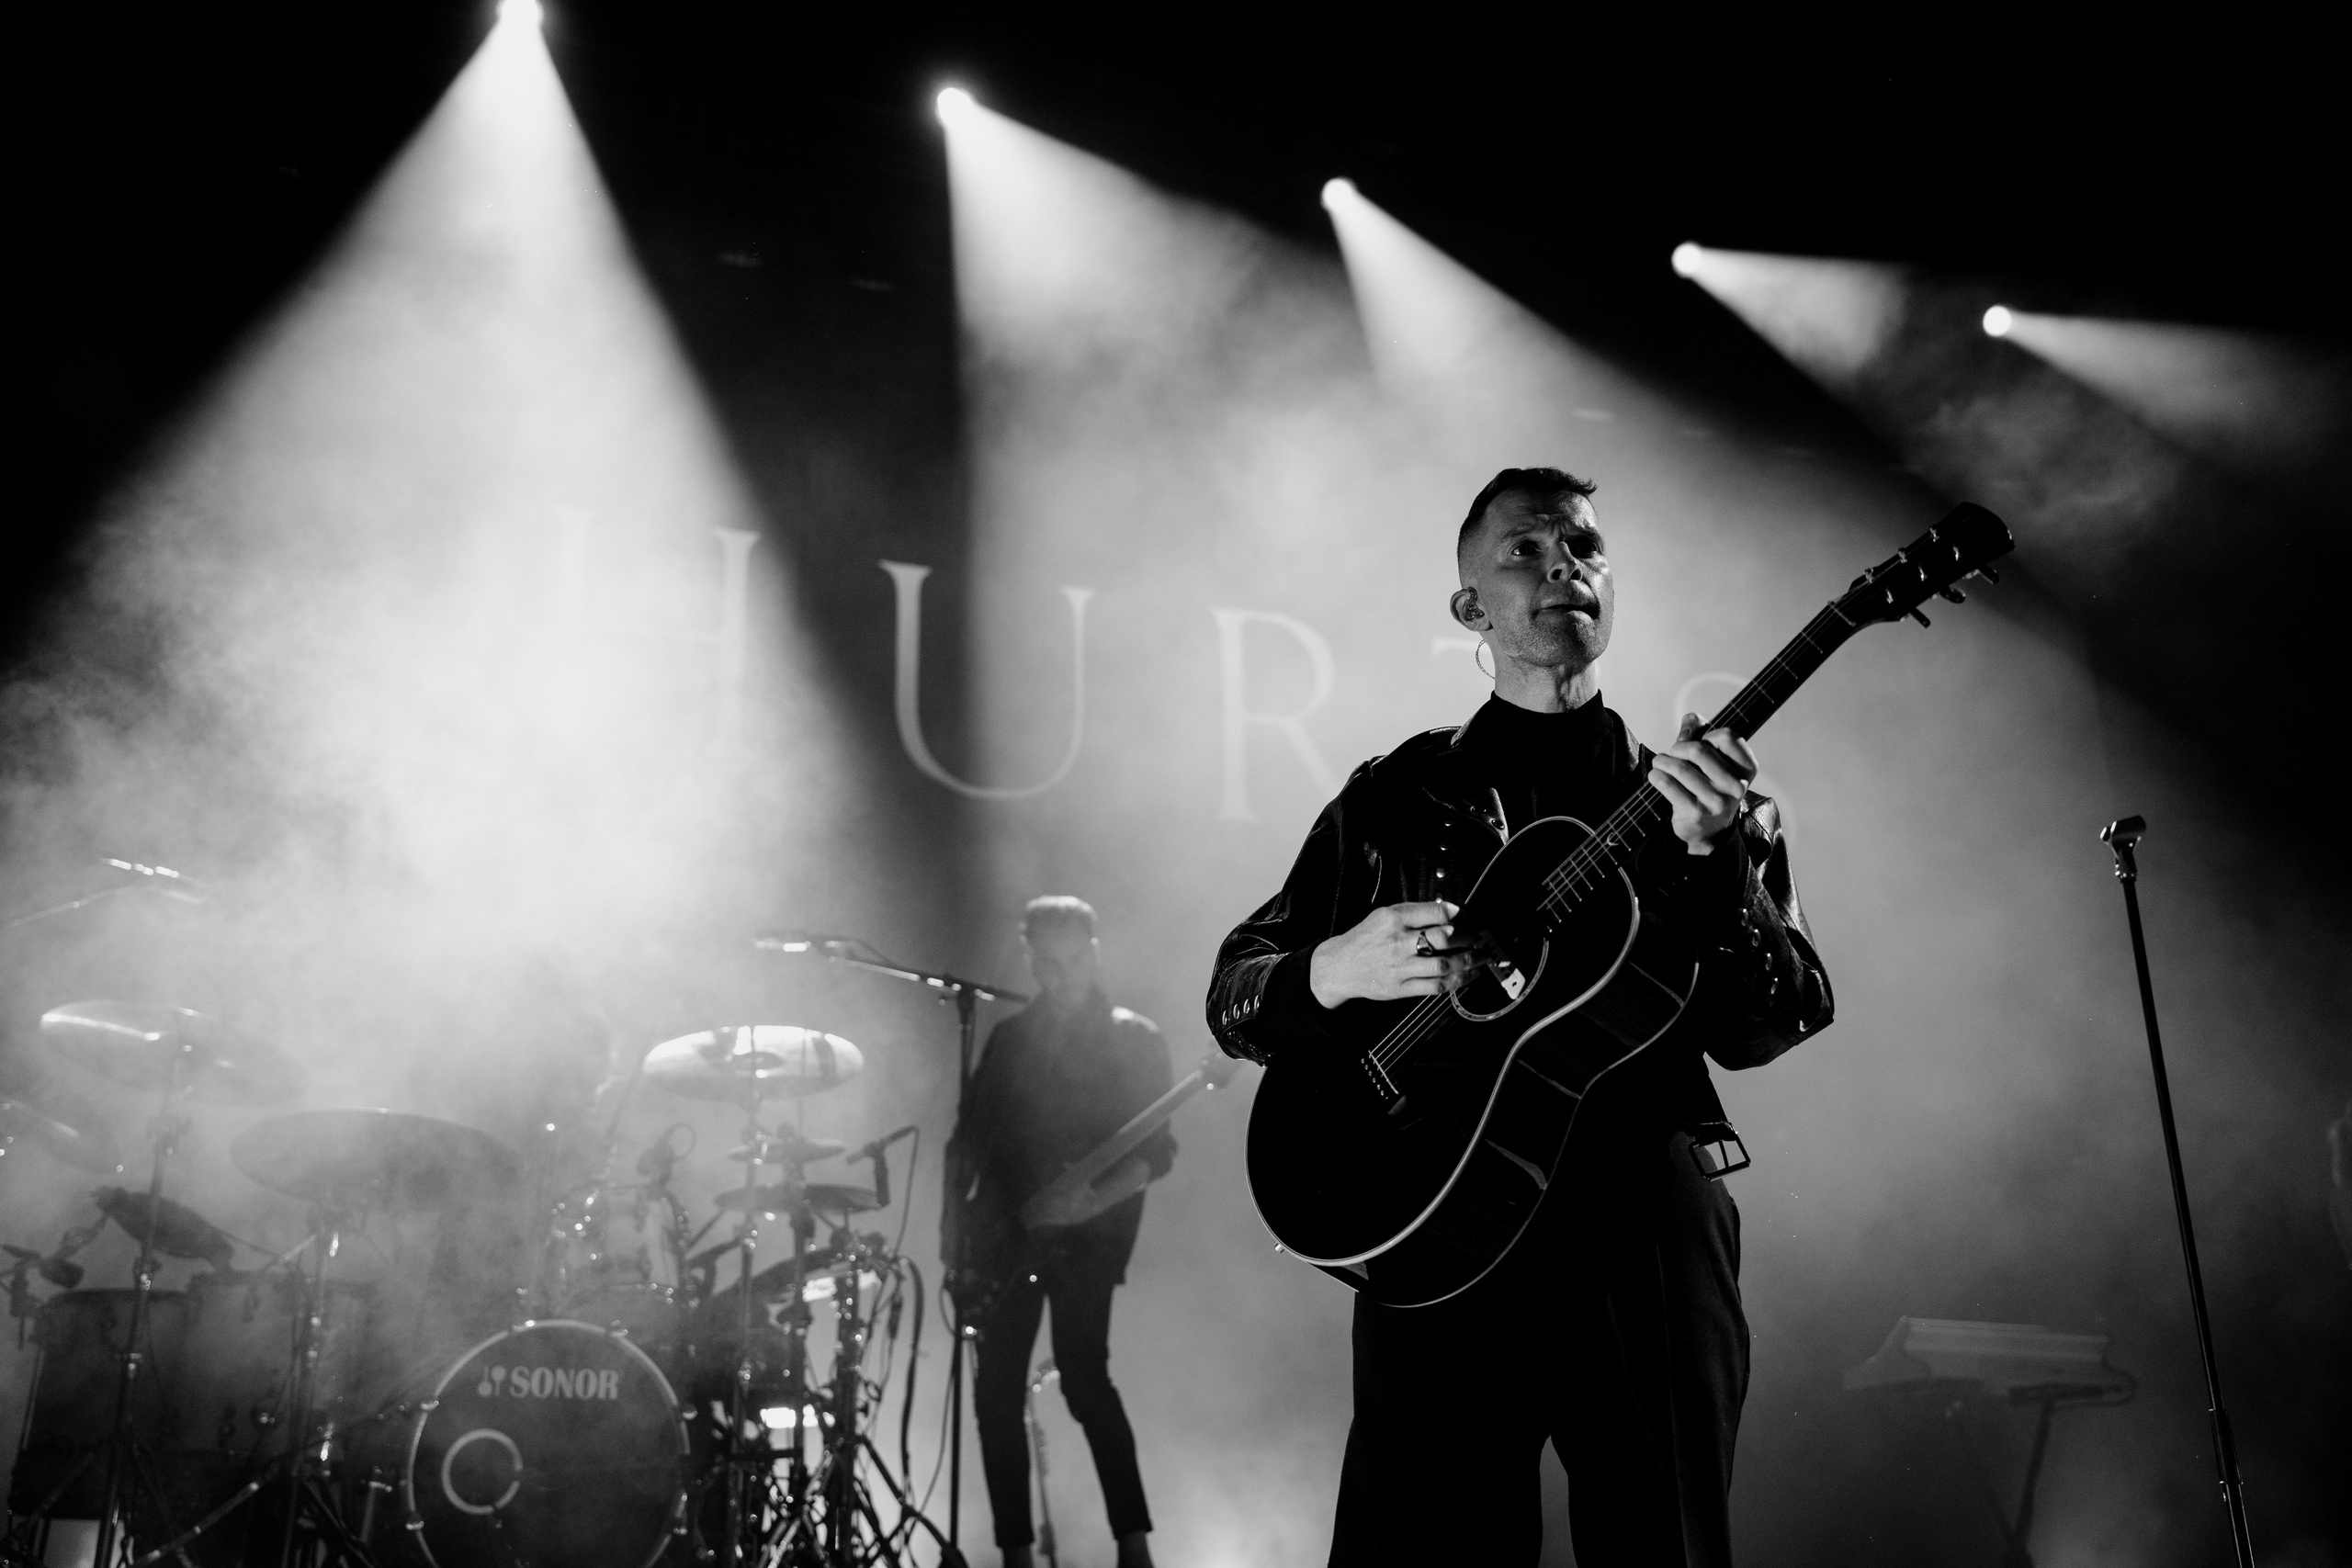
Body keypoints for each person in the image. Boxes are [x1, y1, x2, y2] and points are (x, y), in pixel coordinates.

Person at [1205, 468, 1835, 1566]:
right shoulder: (1394, 797)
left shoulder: (1703, 799)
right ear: (1470, 610)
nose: (1563, 570)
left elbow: (1774, 1021)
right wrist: (1334, 968)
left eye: (1584, 549)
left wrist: (1718, 860)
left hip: (1640, 1205)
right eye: (1524, 553)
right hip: (1433, 1206)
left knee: (1667, 1540)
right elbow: (1235, 996)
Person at [947, 896, 1173, 1568]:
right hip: (1005, 1238)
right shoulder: (1011, 1039)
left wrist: (1089, 1202)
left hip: (1089, 1243)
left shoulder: (1136, 1039)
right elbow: (968, 1143)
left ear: (1095, 951)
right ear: (1031, 959)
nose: (1063, 974)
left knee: (1085, 1380)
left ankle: (1133, 1546)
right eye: (1048, 962)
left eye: (1075, 958)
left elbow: (1156, 1154)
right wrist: (954, 1237)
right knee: (995, 1394)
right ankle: (1015, 1552)